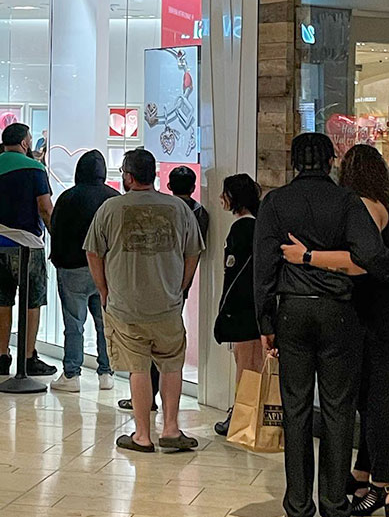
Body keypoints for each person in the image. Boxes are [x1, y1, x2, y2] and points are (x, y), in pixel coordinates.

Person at [254, 133, 389, 517]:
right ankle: (334, 504)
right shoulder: (347, 201)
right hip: (340, 314)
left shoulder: (275, 202)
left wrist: (265, 321)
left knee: (297, 410)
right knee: (338, 412)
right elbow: (370, 254)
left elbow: (264, 267)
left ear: (294, 163)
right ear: (331, 161)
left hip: (292, 312)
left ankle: (299, 505)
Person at [85, 149, 204, 452]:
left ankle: (142, 435)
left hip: (126, 305)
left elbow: (93, 251)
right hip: (167, 303)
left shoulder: (111, 209)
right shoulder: (179, 208)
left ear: (128, 176)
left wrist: (103, 288)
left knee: (138, 368)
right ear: (154, 175)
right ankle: (171, 428)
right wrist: (182, 285)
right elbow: (194, 251)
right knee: (171, 364)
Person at [117, 164, 210, 412]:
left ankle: (145, 399)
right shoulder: (197, 213)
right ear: (193, 187)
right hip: (176, 288)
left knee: (142, 352)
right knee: (169, 353)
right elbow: (194, 251)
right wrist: (183, 284)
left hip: (147, 288)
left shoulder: (164, 210)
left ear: (168, 186)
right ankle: (166, 415)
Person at [0, 123, 56, 376]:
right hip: (28, 245)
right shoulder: (35, 168)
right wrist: (56, 234)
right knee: (32, 302)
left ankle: (2, 356)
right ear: (25, 143)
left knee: (3, 298)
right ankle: (29, 356)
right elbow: (44, 207)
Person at [50, 150, 118, 392]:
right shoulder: (114, 199)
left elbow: (54, 228)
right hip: (106, 271)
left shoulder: (68, 197)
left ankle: (72, 375)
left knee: (74, 323)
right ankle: (106, 373)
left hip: (72, 269)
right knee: (105, 324)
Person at [213, 173, 262, 437]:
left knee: (247, 367)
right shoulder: (259, 226)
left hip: (244, 310)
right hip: (256, 307)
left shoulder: (242, 228)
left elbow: (233, 274)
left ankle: (243, 419)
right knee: (252, 365)